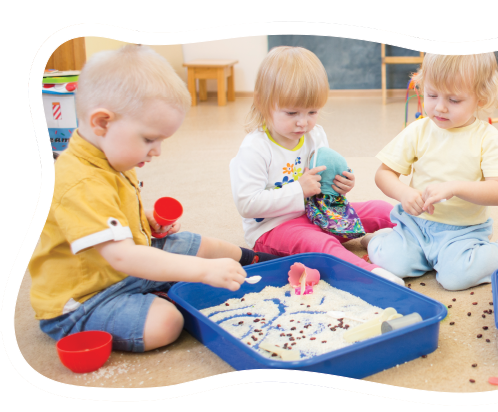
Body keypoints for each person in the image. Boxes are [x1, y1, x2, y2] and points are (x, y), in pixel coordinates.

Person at [28, 45, 276, 353]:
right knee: (165, 323)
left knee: (199, 244)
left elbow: (112, 209)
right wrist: (202, 272)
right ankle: (176, 297)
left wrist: (142, 218)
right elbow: (122, 256)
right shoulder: (80, 180)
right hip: (87, 298)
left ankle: (263, 262)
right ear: (102, 123)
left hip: (127, 265)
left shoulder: (109, 156)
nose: (157, 151)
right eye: (149, 139)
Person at [229, 46, 402, 284]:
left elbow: (325, 181)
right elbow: (247, 205)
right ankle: (370, 274)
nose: (303, 122)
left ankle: (426, 233)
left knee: (379, 208)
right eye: (291, 113)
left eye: (312, 111)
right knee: (320, 243)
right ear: (262, 102)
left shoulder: (315, 134)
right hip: (274, 228)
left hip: (319, 213)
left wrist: (341, 185)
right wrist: (299, 190)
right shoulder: (254, 148)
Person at [366, 53, 498, 290]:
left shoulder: (487, 137)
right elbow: (383, 174)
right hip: (415, 226)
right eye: (432, 95)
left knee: (455, 279)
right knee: (391, 262)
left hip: (463, 232)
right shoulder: (418, 130)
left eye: (454, 100)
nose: (440, 107)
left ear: (481, 98)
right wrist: (403, 193)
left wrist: (455, 187)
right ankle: (389, 242)